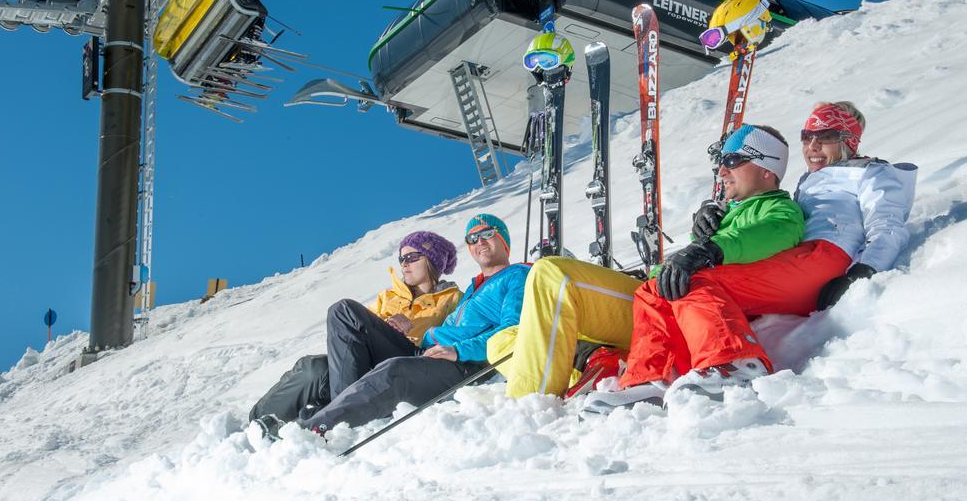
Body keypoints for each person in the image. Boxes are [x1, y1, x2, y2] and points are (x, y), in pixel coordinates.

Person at [595, 101, 917, 408]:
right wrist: (718, 212)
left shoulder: (872, 173)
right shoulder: (810, 181)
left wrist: (861, 273)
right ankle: (648, 381)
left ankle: (734, 364)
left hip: (825, 257)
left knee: (696, 278)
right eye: (807, 136)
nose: (813, 146)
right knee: (660, 287)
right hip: (795, 260)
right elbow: (759, 208)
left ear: (849, 141)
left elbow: (887, 227)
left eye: (826, 137)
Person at [491, 124, 805, 400]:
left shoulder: (781, 211)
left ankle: (529, 404)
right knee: (500, 341)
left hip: (671, 308)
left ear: (767, 169)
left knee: (553, 275)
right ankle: (597, 366)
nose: (722, 171)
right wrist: (710, 223)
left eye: (733, 161)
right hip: (653, 299)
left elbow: (766, 235)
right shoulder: (725, 214)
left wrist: (707, 248)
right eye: (721, 162)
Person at [297, 214, 530, 434]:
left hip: (463, 364)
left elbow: (511, 333)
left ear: (503, 239)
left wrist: (459, 351)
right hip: (426, 350)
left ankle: (321, 428)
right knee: (344, 312)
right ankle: (337, 412)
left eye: (487, 233)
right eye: (472, 238)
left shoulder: (516, 276)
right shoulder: (474, 288)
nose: (479, 241)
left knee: (395, 370)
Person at [248, 231, 461, 439]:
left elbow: (451, 339)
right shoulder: (388, 296)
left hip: (409, 362)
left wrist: (413, 331)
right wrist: (385, 326)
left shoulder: (453, 299)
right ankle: (256, 425)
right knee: (315, 368)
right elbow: (354, 335)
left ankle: (335, 416)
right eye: (402, 258)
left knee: (343, 310)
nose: (404, 263)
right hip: (369, 368)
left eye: (412, 257)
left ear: (434, 261)